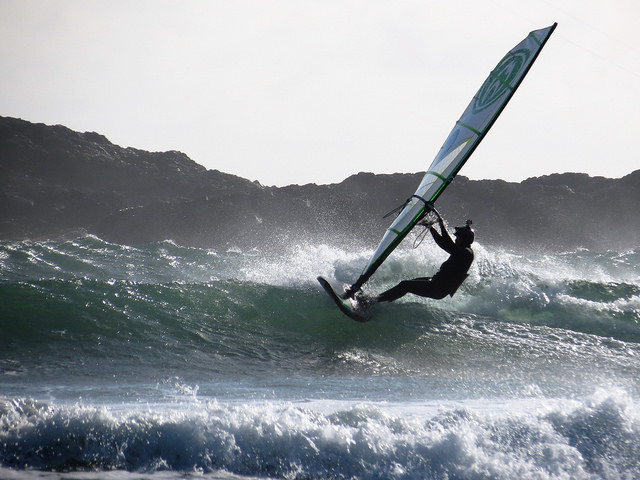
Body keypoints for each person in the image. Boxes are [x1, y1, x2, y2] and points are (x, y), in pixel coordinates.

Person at [375, 213, 474, 303]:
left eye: (458, 238)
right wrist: (431, 228)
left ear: (464, 240)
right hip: (436, 283)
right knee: (406, 285)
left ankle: (373, 301)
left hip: (439, 288)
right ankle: (381, 301)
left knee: (405, 285)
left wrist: (442, 226)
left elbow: (449, 245)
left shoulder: (466, 253)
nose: (456, 240)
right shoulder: (461, 251)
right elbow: (443, 244)